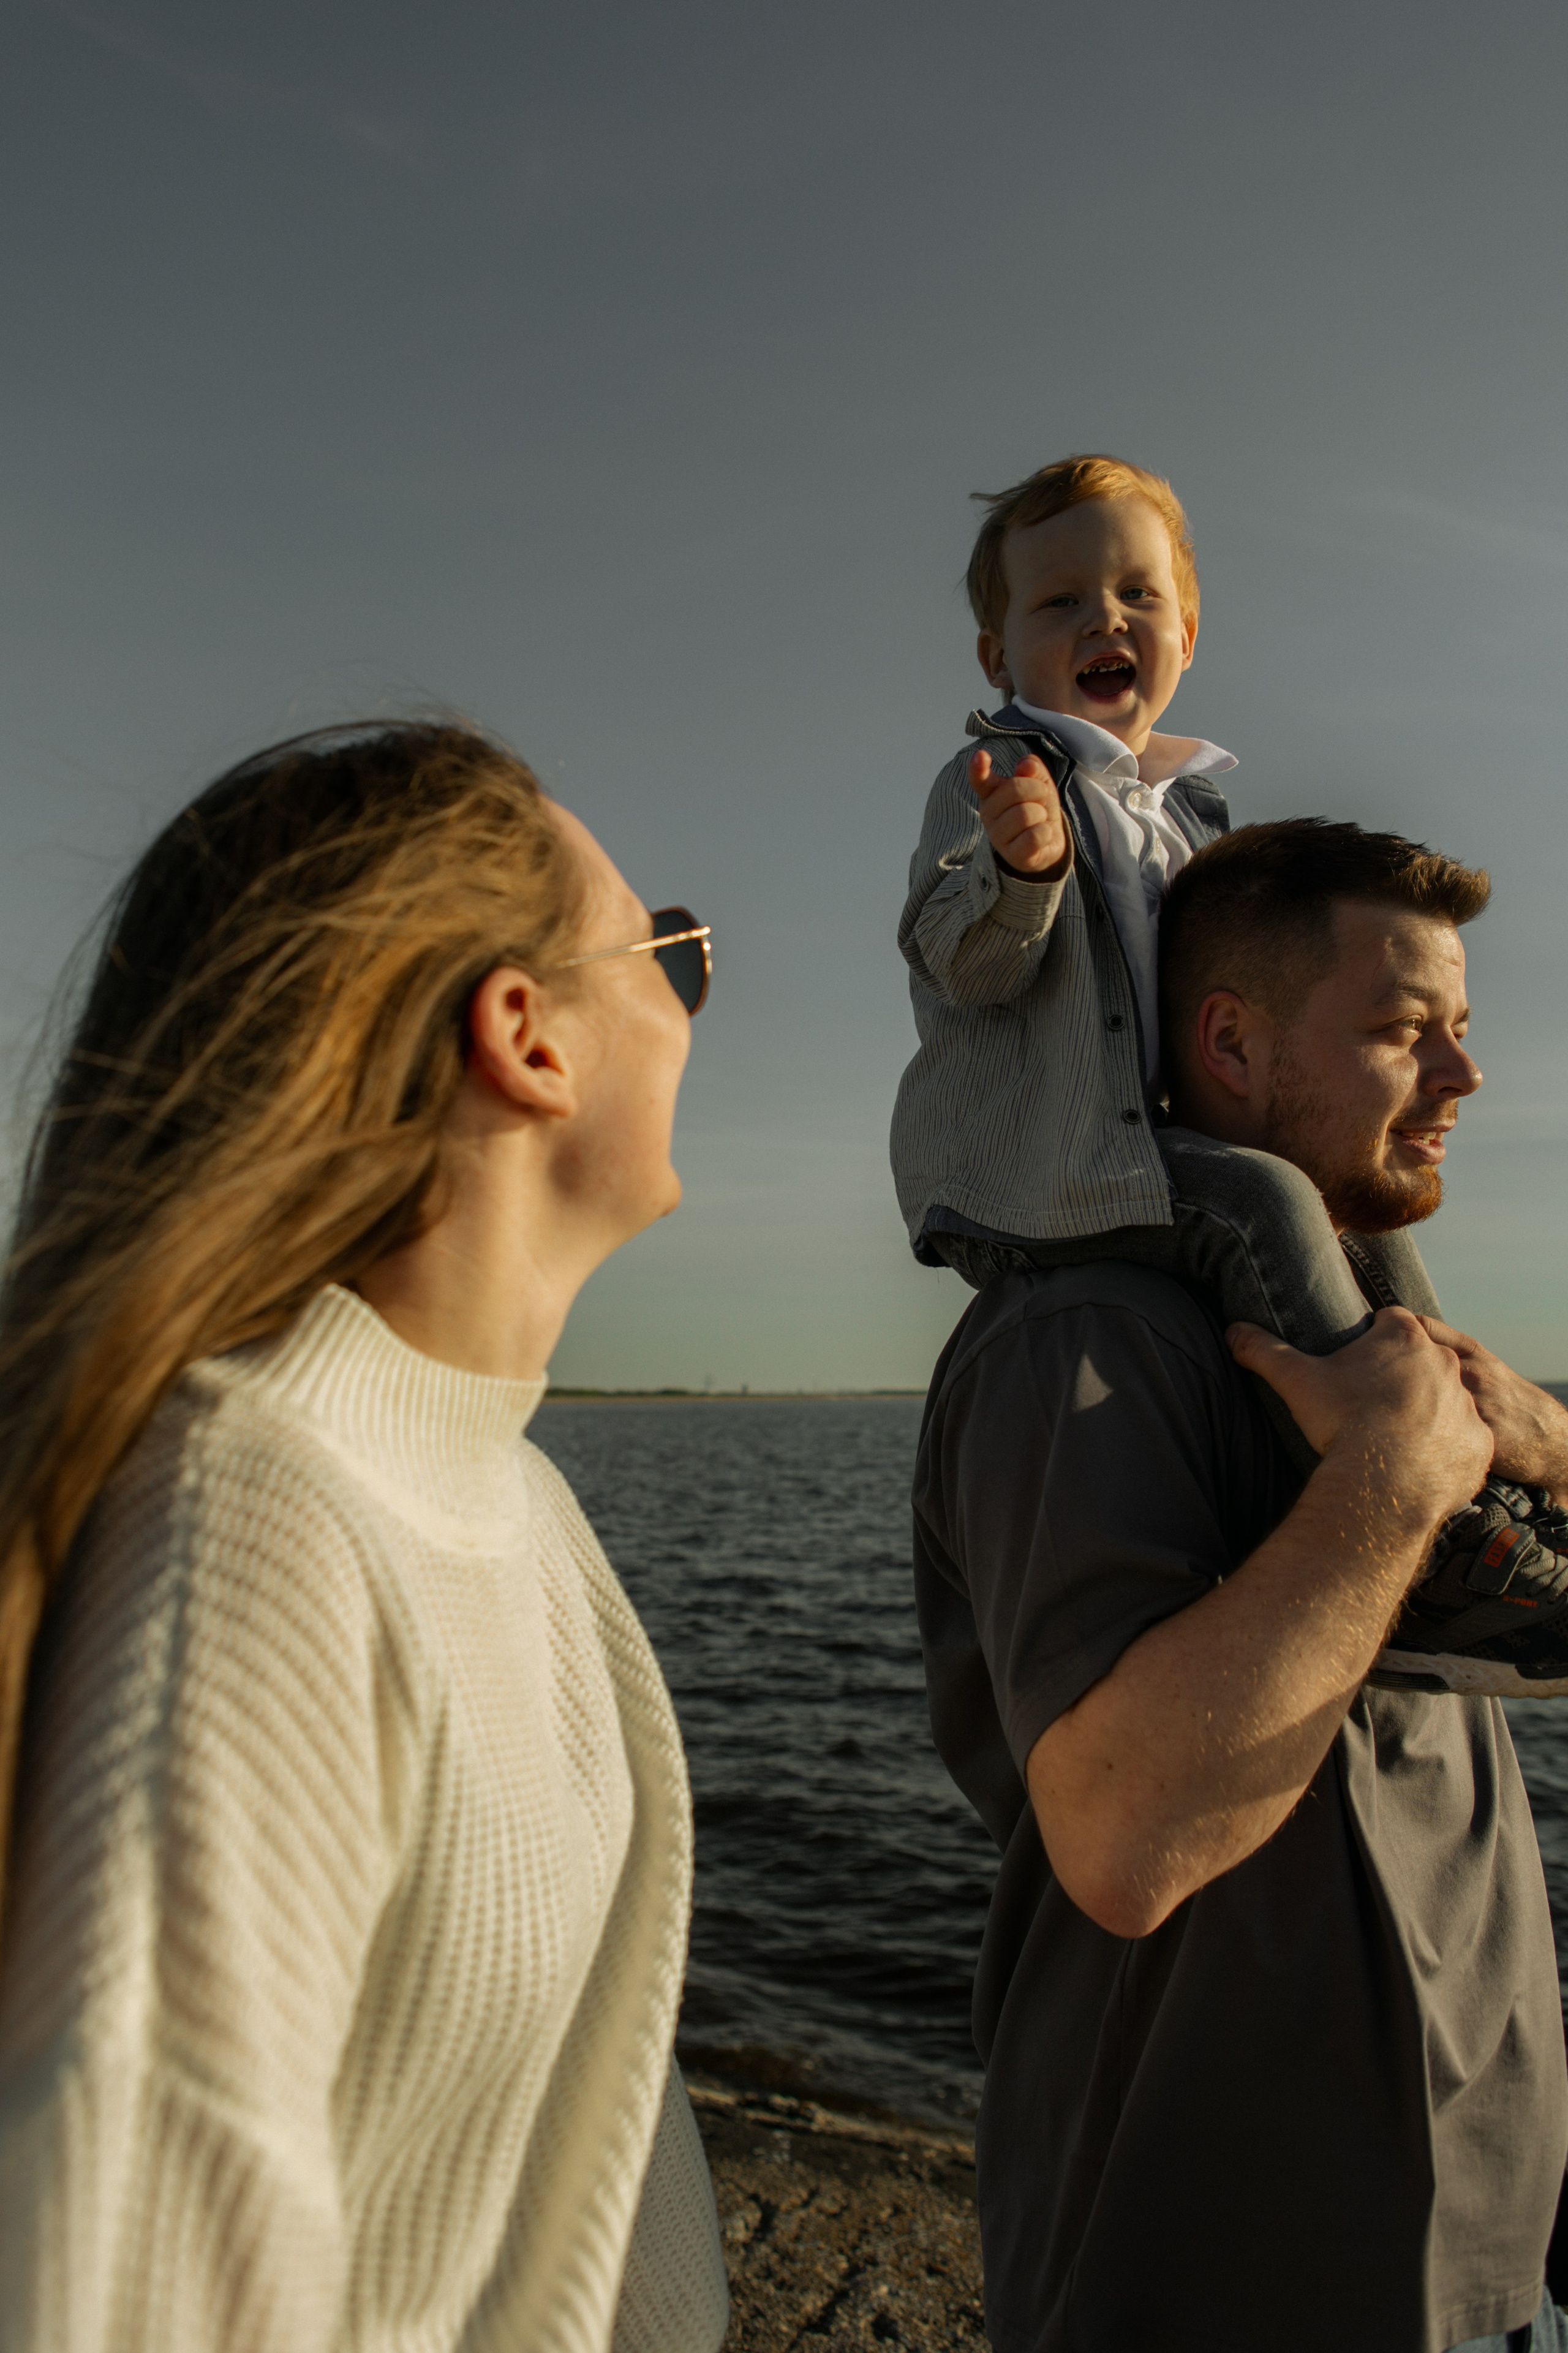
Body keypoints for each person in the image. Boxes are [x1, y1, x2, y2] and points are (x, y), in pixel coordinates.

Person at [0, 721, 729, 2353]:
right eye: (670, 950)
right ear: (525, 1035)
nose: (694, 993)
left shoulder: (510, 1497)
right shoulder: (257, 1538)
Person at [911, 817, 1568, 2351]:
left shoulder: (1409, 1364)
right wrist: (1389, 1488)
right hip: (1214, 2275)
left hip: (1488, 2268)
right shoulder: (1082, 1346)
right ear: (1227, 1041)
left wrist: (1543, 1440)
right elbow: (1125, 1834)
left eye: (1461, 1033)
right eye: (1407, 1034)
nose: (1463, 1081)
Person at [889, 453, 1437, 1468]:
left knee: (1355, 1189)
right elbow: (959, 966)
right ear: (995, 656)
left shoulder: (1191, 812)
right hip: (1042, 1173)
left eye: (1138, 593)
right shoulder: (996, 781)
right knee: (1267, 1203)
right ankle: (1382, 1469)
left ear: (1186, 633)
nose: (1105, 619)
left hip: (1161, 1147)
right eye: (1061, 602)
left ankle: (1463, 1431)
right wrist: (1022, 872)